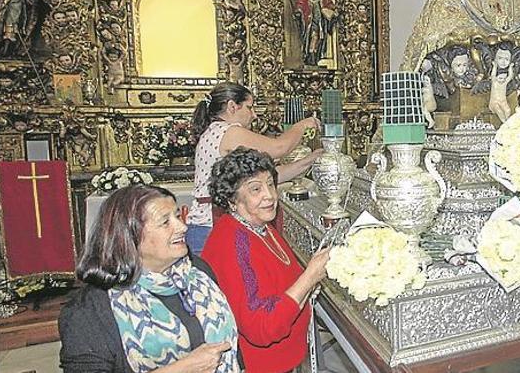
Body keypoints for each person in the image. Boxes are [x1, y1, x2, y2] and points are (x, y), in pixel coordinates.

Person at [59, 184, 241, 372]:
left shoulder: (197, 272)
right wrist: (183, 369)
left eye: (177, 216)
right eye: (165, 222)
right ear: (129, 235)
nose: (182, 227)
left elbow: (233, 347)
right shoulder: (90, 309)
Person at [202, 148, 330, 373]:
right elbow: (261, 327)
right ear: (232, 199)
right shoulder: (232, 243)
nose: (269, 195)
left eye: (270, 184)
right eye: (255, 189)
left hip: (283, 360)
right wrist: (309, 277)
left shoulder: (258, 225)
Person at [187, 82, 321, 254]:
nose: (254, 115)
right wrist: (302, 125)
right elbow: (280, 148)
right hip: (210, 228)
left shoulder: (217, 131)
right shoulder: (227, 132)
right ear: (232, 107)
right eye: (249, 108)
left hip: (210, 227)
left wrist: (310, 160)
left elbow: (267, 178)